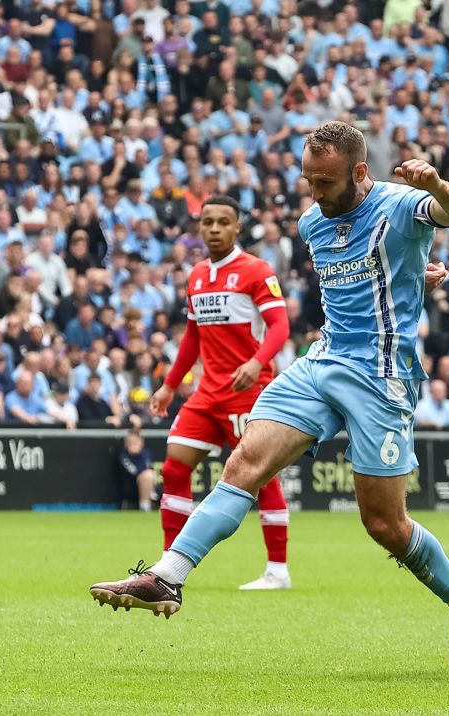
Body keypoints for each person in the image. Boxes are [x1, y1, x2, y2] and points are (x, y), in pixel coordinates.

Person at [89, 122, 449, 672]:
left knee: (384, 525)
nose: (315, 193)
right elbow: (366, 276)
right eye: (308, 181)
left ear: (359, 172)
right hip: (322, 363)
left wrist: (438, 185)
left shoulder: (401, 204)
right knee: (243, 462)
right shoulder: (312, 222)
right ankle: (168, 577)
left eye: (325, 182)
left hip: (381, 377)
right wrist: (411, 275)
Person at [122, 195, 295, 590]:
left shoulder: (256, 270)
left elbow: (280, 327)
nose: (214, 229)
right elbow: (192, 337)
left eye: (223, 222)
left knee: (262, 479)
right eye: (208, 222)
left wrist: (256, 363)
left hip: (247, 392)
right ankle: (168, 567)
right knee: (173, 469)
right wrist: (168, 386)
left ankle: (278, 572)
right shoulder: (198, 275)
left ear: (237, 228)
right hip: (207, 394)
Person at [117, 429, 154, 512]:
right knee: (147, 475)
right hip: (131, 487)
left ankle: (151, 499)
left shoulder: (146, 453)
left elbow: (147, 468)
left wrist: (139, 454)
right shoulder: (123, 456)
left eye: (135, 442)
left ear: (141, 442)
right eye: (130, 442)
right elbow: (135, 472)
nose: (132, 445)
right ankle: (144, 507)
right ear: (126, 443)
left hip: (148, 484)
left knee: (150, 474)